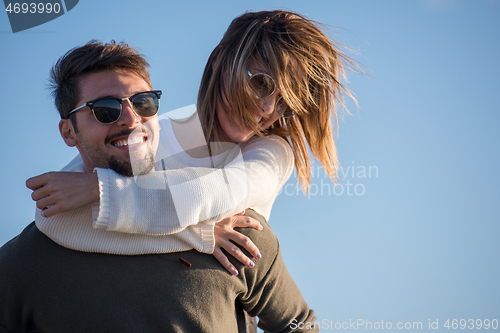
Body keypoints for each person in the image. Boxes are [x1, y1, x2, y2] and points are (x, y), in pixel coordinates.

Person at [0, 39, 319, 332]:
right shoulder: (22, 265)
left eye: (144, 103)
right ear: (69, 132)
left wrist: (103, 190)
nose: (131, 118)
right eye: (106, 109)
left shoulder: (237, 238)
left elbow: (301, 327)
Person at [27, 10, 358, 276]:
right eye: (259, 83)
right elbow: (57, 214)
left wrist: (101, 192)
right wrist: (200, 235)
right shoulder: (158, 132)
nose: (268, 109)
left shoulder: (272, 154)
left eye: (283, 100)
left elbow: (215, 191)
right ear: (220, 61)